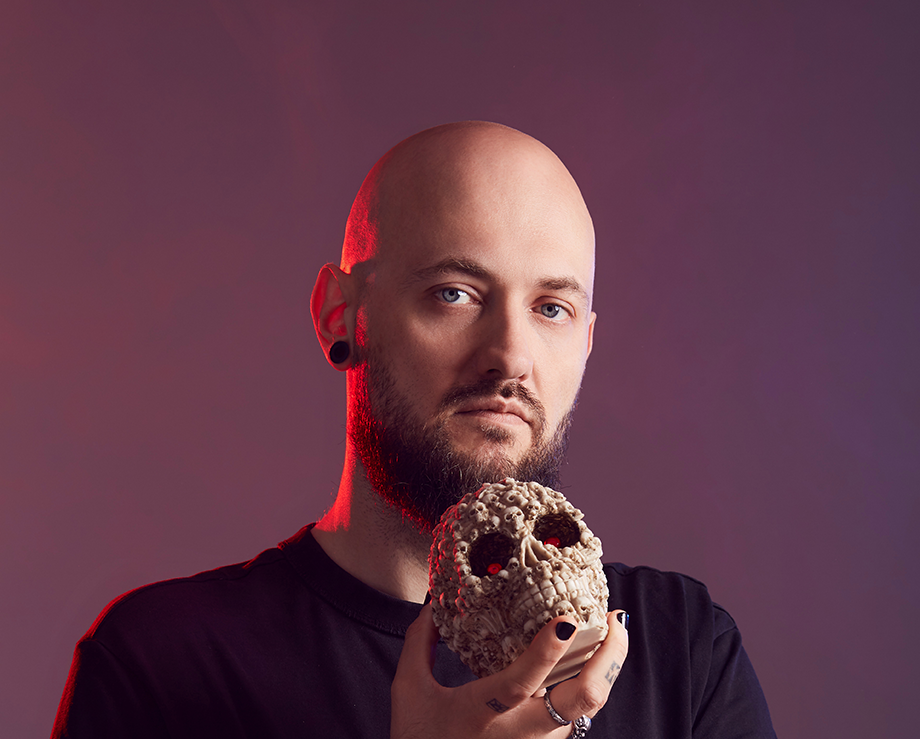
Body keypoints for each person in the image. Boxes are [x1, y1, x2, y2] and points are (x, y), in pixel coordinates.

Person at [52, 121, 775, 738]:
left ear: (586, 343)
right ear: (340, 315)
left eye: (551, 308)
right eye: (454, 294)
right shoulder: (163, 665)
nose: (510, 356)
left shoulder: (683, 650)